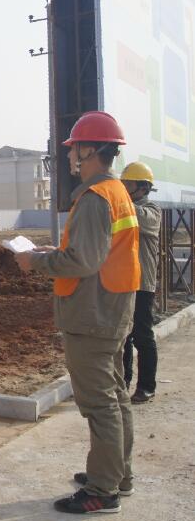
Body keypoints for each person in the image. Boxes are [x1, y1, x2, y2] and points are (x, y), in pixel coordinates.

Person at [15, 111, 138, 514]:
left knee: (100, 403)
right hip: (111, 308)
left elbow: (83, 261)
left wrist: (36, 261)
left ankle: (103, 490)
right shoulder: (116, 192)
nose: (69, 155)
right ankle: (117, 474)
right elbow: (97, 254)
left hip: (92, 314)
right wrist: (57, 252)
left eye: (73, 148)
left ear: (90, 150)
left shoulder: (94, 198)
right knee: (115, 395)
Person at [120, 161, 161, 404]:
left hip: (142, 285)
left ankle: (146, 386)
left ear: (143, 187)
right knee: (123, 337)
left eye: (128, 184)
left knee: (143, 336)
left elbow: (141, 218)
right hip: (123, 283)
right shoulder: (125, 208)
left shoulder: (151, 210)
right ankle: (122, 383)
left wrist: (117, 198)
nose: (124, 188)